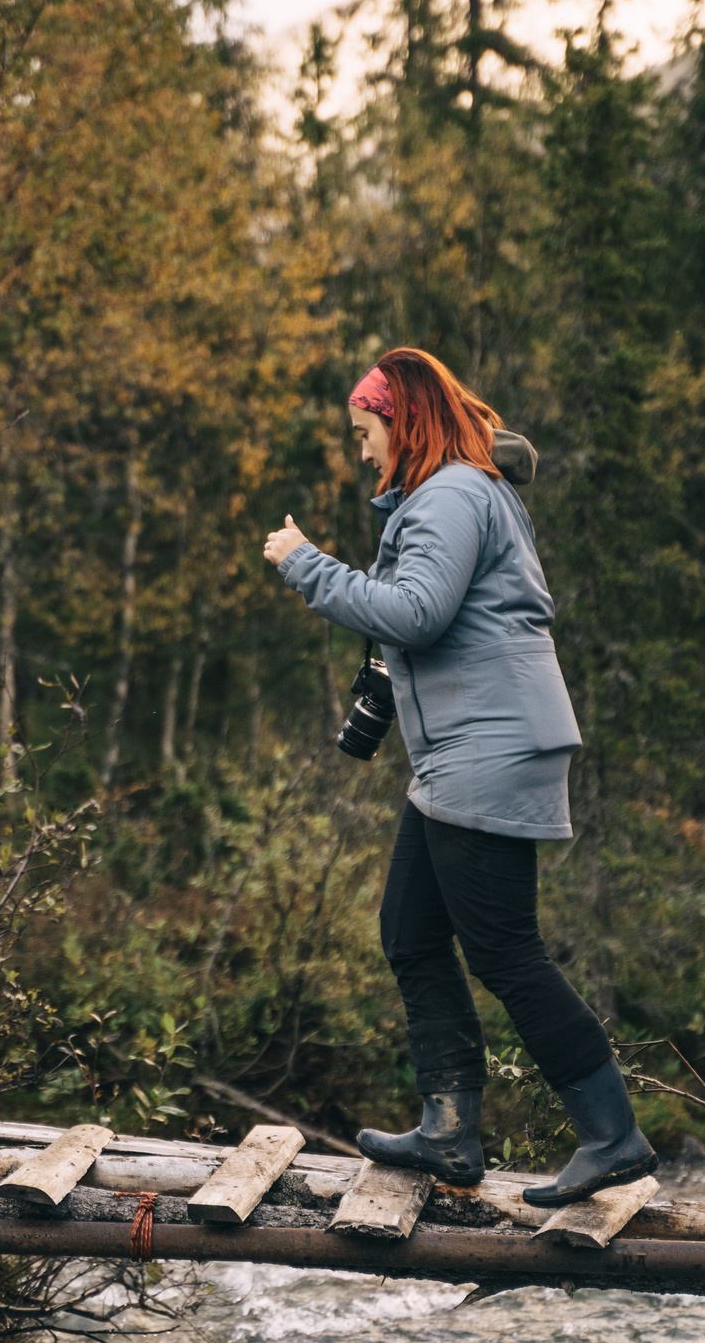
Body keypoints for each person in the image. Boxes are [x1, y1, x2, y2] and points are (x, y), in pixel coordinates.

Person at [260, 348, 654, 1208]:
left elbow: (417, 612)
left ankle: (612, 1134)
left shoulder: (450, 495)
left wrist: (307, 564)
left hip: (490, 745)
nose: (362, 453)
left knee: (506, 949)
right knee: (408, 926)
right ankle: (448, 1128)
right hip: (464, 749)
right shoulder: (453, 493)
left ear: (399, 423)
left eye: (365, 434)